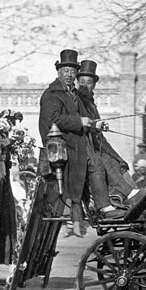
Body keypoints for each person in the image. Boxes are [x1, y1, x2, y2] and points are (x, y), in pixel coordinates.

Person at [38, 49, 125, 219]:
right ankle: (103, 206)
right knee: (95, 163)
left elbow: (87, 117)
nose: (70, 74)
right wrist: (79, 122)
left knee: (105, 160)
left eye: (72, 71)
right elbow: (52, 120)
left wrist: (96, 124)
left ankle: (120, 198)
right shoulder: (51, 94)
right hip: (60, 145)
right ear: (59, 72)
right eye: (66, 71)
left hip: (75, 140)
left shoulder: (74, 94)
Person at [75, 59, 144, 210]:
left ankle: (127, 197)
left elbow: (97, 133)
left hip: (94, 144)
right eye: (82, 81)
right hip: (81, 146)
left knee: (118, 162)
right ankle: (126, 194)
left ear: (94, 85)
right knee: (105, 159)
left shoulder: (91, 104)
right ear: (77, 82)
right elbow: (76, 123)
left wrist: (99, 127)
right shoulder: (75, 100)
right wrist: (93, 125)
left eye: (89, 82)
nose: (85, 86)